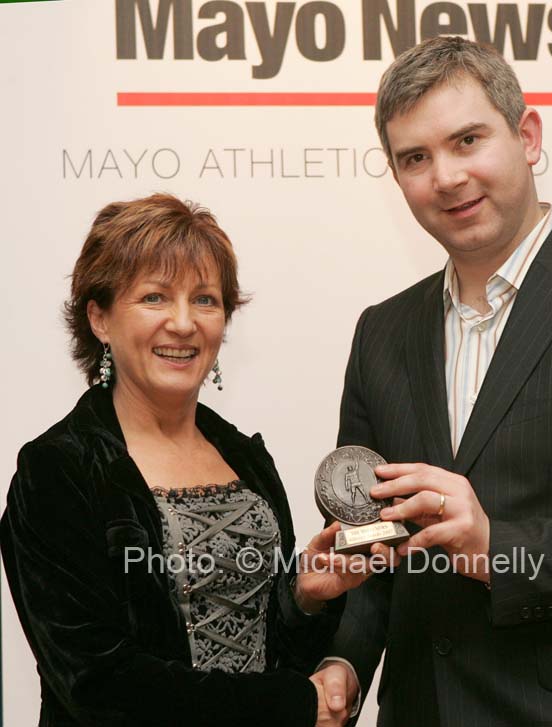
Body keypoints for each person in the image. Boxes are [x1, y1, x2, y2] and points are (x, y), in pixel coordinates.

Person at [313, 36, 552, 726]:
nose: (447, 176)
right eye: (416, 158)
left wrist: (500, 548)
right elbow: (374, 541)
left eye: (467, 140)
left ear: (527, 136)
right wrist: (342, 660)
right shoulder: (382, 331)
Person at [1, 193, 367, 727]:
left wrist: (304, 601)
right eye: (154, 297)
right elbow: (99, 684)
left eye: (204, 299)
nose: (182, 323)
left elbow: (278, 653)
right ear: (99, 318)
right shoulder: (57, 471)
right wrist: (292, 706)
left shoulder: (245, 457)